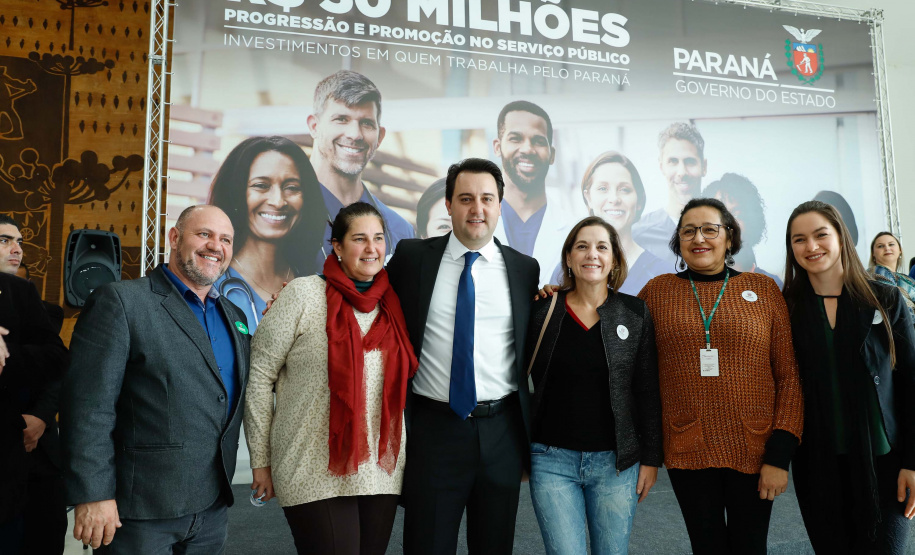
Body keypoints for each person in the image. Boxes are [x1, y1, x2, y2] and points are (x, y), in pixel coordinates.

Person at [61, 205, 251, 553]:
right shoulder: (122, 302)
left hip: (212, 509)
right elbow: (88, 407)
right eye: (204, 234)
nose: (216, 246)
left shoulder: (234, 316)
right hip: (140, 511)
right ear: (175, 238)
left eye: (225, 239)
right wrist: (94, 493)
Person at [244, 201, 417, 555]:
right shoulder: (302, 294)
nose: (372, 248)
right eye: (359, 239)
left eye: (379, 238)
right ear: (336, 246)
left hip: (379, 471)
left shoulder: (394, 302)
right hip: (311, 466)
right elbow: (259, 377)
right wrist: (260, 461)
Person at [386, 158, 540, 554]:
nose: (477, 209)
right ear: (449, 205)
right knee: (427, 544)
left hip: (501, 431)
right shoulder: (412, 258)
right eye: (466, 198)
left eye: (487, 199)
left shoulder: (524, 270)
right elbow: (364, 285)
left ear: (500, 205)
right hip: (434, 430)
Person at [637, 198, 804, 555]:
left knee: (750, 546)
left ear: (729, 237)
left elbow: (789, 377)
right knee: (706, 546)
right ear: (678, 241)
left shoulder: (764, 290)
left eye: (710, 229)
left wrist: (780, 455)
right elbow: (621, 339)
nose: (700, 238)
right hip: (687, 443)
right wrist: (561, 294)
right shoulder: (657, 292)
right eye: (689, 230)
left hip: (756, 447)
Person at [527, 216, 662, 555]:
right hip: (551, 460)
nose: (592, 254)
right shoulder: (543, 309)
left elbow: (646, 390)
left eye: (602, 247)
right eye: (582, 246)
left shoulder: (634, 313)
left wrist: (650, 459)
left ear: (614, 259)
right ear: (569, 258)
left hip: (616, 464)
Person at [785, 201, 915, 553]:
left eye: (820, 235)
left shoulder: (885, 298)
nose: (811, 247)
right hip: (818, 464)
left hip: (885, 463)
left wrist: (913, 463)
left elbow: (910, 383)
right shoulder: (787, 308)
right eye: (799, 239)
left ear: (841, 237)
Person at [0, 214, 68, 555]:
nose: (17, 250)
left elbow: (59, 368)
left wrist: (41, 417)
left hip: (39, 455)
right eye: (5, 240)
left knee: (45, 539)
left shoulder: (43, 312)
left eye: (20, 242)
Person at [208, 136, 326, 333]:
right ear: (236, 193)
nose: (278, 201)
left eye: (292, 188)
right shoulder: (208, 287)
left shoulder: (316, 288)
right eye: (261, 185)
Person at [307, 70, 414, 271]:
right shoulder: (284, 214)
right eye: (341, 119)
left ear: (380, 136)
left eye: (366, 123)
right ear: (314, 126)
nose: (355, 134)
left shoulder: (399, 230)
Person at [551, 151, 670, 293]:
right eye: (603, 189)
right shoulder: (566, 272)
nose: (614, 199)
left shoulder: (663, 276)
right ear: (588, 197)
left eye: (624, 190)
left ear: (638, 200)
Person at [492, 100, 572, 286]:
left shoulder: (574, 230)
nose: (527, 149)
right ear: (497, 147)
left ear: (552, 154)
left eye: (538, 141)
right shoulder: (473, 223)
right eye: (515, 138)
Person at [632, 122, 707, 264]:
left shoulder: (725, 230)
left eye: (690, 161)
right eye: (673, 161)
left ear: (704, 167)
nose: (682, 172)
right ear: (662, 167)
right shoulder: (638, 236)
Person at [703, 173, 782, 287]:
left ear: (751, 222)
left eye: (737, 214)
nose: (728, 224)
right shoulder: (691, 287)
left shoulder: (772, 286)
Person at [868, 231, 915, 315]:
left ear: (900, 250)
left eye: (891, 244)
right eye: (880, 246)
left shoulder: (906, 278)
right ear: (873, 254)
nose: (887, 248)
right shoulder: (876, 273)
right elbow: (899, 308)